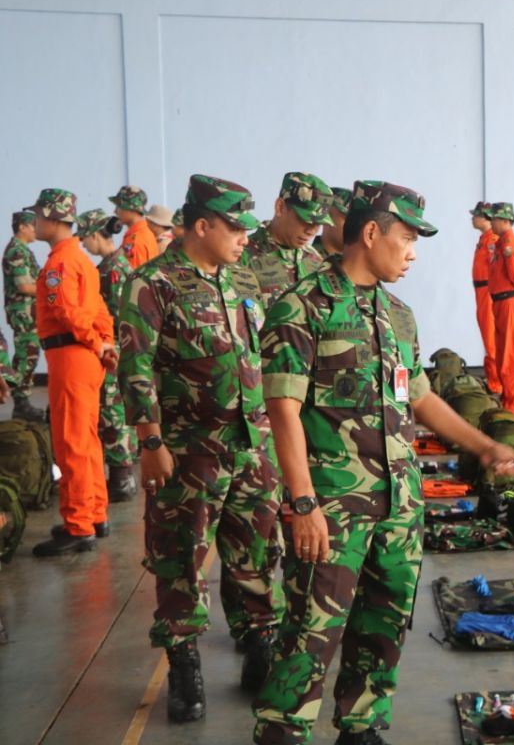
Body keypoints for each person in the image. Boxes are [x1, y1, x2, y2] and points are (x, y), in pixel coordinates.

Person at [252, 180, 514, 745]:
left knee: (383, 628)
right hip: (332, 510)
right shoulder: (302, 307)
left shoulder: (398, 315)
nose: (413, 252)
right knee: (310, 633)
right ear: (371, 232)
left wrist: (483, 446)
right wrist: (302, 504)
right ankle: (282, 731)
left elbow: (419, 398)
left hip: (400, 508)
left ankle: (362, 727)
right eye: (406, 238)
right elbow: (282, 411)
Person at [119, 174, 283, 722]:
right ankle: (184, 662)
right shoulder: (153, 282)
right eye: (234, 227)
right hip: (190, 451)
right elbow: (135, 366)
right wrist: (150, 441)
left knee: (255, 552)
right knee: (180, 558)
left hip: (250, 446)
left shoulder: (241, 283)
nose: (243, 237)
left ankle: (260, 648)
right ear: (202, 225)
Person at [27, 189, 116, 557]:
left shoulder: (60, 265)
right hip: (85, 358)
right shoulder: (79, 260)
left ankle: (78, 526)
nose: (33, 222)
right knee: (88, 439)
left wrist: (97, 345)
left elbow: (67, 313)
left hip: (71, 356)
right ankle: (94, 514)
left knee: (71, 441)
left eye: (37, 216)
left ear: (51, 218)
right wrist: (105, 344)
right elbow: (98, 313)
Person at [77, 209, 137, 503]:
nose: (83, 245)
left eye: (85, 239)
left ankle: (122, 477)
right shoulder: (112, 265)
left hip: (115, 347)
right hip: (116, 346)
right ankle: (122, 472)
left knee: (112, 411)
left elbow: (117, 315)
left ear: (96, 235)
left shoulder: (113, 270)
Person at [241, 172, 332, 309]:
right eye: (305, 220)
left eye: (318, 223)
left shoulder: (317, 262)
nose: (312, 231)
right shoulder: (243, 255)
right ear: (280, 207)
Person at [3, 208, 43, 421]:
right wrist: (50, 289)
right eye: (32, 225)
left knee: (28, 356)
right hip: (24, 313)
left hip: (30, 312)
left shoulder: (23, 249)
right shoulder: (16, 251)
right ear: (22, 227)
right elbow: (25, 286)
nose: (37, 229)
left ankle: (21, 399)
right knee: (26, 356)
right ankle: (21, 401)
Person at [487, 202, 514, 413]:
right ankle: (508, 400)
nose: (490, 222)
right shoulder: (501, 242)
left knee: (511, 356)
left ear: (504, 221)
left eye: (493, 218)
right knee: (503, 353)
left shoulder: (510, 244)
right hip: (501, 303)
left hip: (511, 303)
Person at [470, 202, 503, 394]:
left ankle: (496, 383)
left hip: (488, 292)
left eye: (476, 215)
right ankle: (493, 380)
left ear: (485, 218)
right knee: (487, 336)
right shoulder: (485, 239)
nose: (473, 219)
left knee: (491, 338)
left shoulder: (493, 241)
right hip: (482, 292)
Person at [111, 185, 160, 270]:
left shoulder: (135, 241)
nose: (115, 211)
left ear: (130, 208)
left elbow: (134, 280)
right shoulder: (146, 232)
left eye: (118, 206)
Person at [313, 186, 351, 260]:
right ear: (326, 215)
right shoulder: (301, 263)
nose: (354, 225)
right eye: (348, 219)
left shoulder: (357, 267)